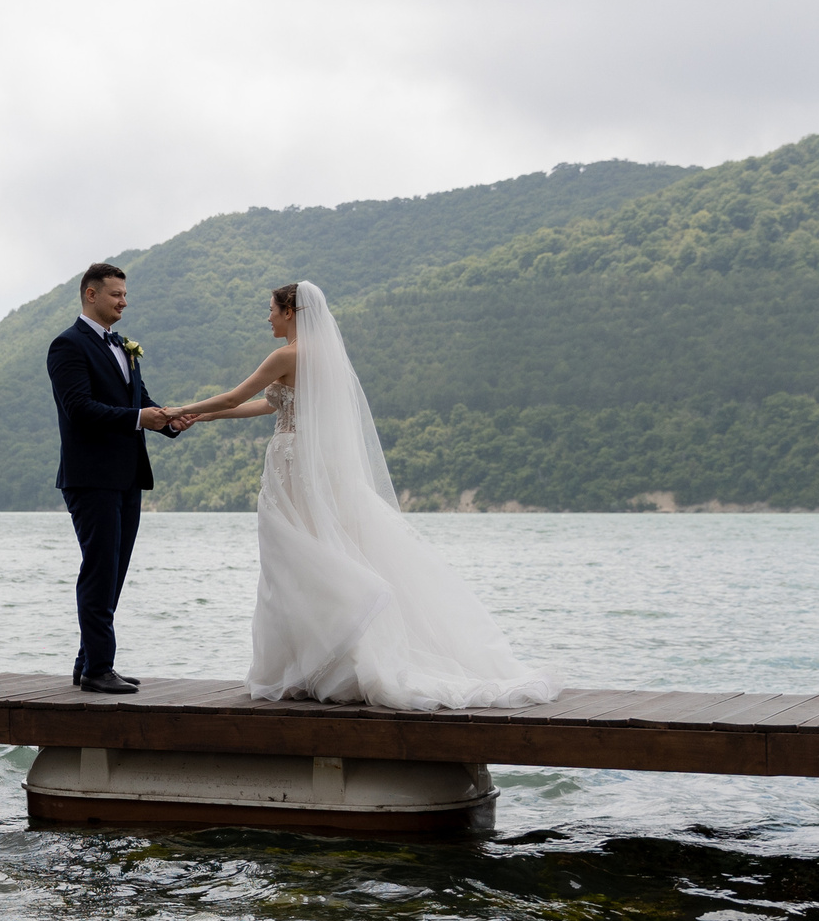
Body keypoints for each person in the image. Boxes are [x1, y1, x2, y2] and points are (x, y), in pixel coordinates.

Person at [170, 281, 557, 711]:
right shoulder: (326, 358)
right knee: (311, 551)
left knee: (291, 558)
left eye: (273, 309)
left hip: (292, 466)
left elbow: (235, 395)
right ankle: (320, 660)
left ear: (291, 311)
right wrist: (200, 417)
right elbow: (267, 405)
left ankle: (310, 662)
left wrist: (177, 410)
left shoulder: (286, 355)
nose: (268, 317)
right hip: (315, 466)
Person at [46, 262, 189, 694]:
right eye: (116, 295)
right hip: (91, 477)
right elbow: (80, 409)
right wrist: (139, 418)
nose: (124, 301)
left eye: (125, 294)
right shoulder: (67, 345)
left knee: (115, 570)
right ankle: (98, 669)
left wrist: (167, 421)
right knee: (100, 569)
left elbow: (138, 401)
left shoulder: (124, 346)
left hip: (127, 477)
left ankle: (88, 662)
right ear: (91, 295)